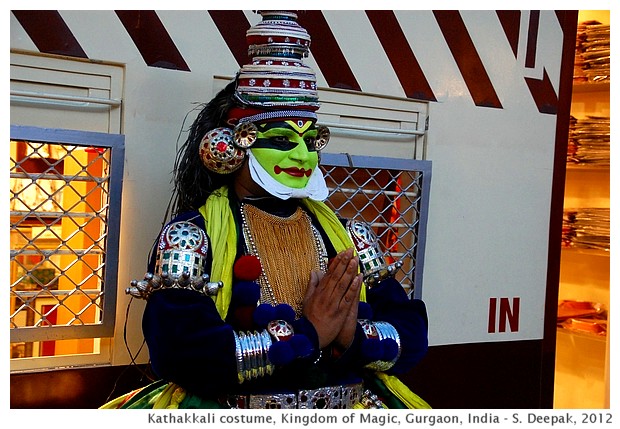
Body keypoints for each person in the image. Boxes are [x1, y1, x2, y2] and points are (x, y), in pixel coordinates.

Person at [102, 11, 429, 410]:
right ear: (235, 142)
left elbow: (413, 334)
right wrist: (308, 333)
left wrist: (354, 336)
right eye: (282, 139)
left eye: (312, 141)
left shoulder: (352, 237)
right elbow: (182, 352)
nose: (303, 155)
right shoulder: (190, 236)